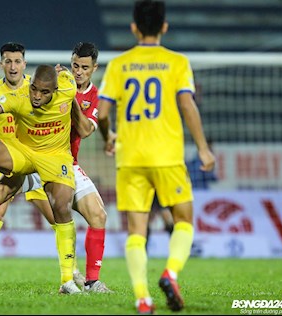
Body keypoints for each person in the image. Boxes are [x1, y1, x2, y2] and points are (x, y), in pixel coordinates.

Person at [0, 42, 111, 293]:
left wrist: (72, 98)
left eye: (84, 68)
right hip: (23, 153)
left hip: (60, 161)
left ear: (94, 69)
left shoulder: (72, 90)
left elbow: (87, 129)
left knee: (72, 212)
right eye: (75, 65)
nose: (78, 71)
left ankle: (80, 278)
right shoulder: (20, 95)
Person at [97, 0, 216, 314]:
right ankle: (170, 272)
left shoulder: (119, 64)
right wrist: (203, 147)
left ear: (133, 27)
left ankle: (142, 298)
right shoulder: (177, 62)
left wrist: (108, 134)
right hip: (167, 156)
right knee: (184, 221)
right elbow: (187, 105)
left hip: (131, 157)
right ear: (165, 26)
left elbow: (103, 111)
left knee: (136, 231)